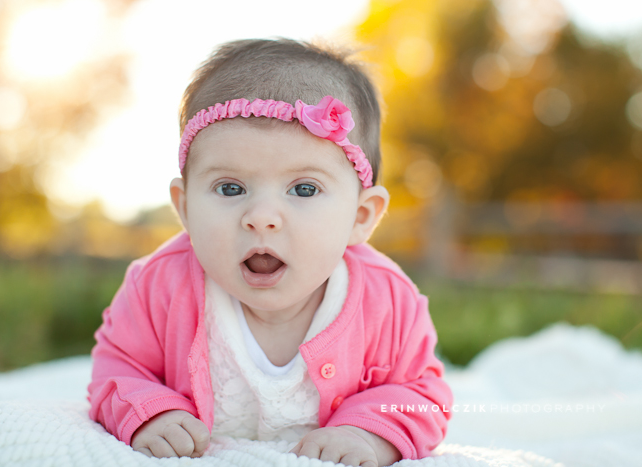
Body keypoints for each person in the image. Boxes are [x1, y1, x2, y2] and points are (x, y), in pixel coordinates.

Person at [88, 38, 452, 467]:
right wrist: (149, 410)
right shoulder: (158, 286)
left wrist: (368, 433)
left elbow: (421, 393)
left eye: (303, 189)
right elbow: (118, 367)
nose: (261, 218)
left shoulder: (388, 303)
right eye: (230, 188)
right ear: (185, 206)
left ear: (361, 215)